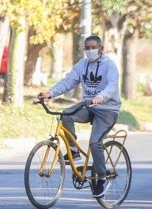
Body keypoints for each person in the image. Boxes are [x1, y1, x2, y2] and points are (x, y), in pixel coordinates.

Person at [38, 35, 121, 199]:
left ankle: (101, 180)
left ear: (101, 48)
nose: (90, 50)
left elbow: (112, 85)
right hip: (88, 105)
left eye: (93, 47)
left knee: (95, 142)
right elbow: (68, 82)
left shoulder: (109, 66)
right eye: (87, 48)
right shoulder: (82, 65)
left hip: (107, 108)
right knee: (66, 116)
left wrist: (102, 96)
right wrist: (50, 93)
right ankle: (74, 151)